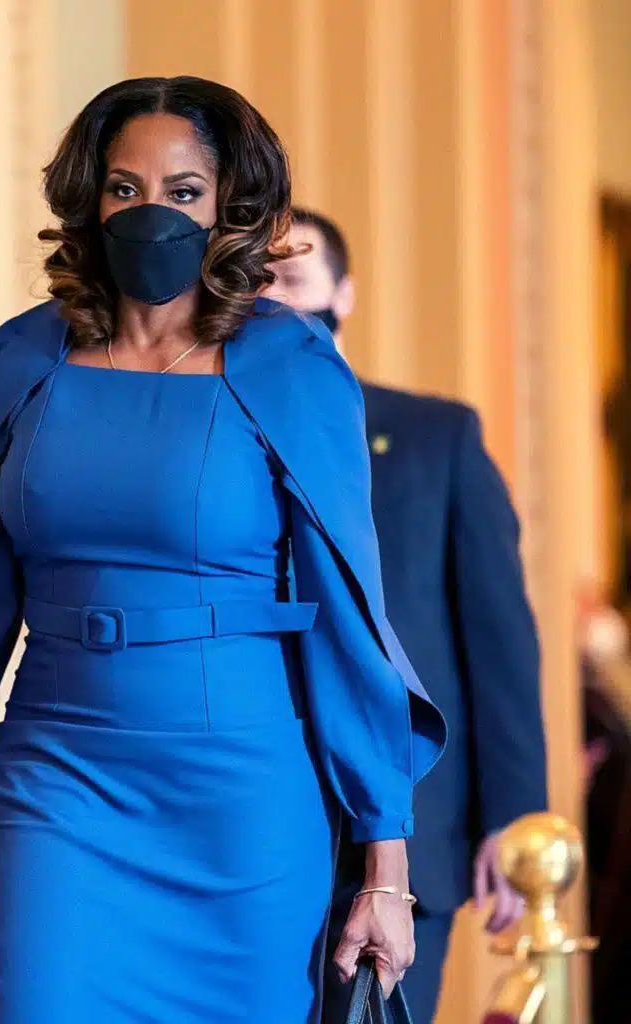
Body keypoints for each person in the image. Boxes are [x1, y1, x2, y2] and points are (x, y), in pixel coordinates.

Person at [0, 79, 446, 1023]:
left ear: (227, 209)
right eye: (125, 188)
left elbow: (349, 616)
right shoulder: (22, 360)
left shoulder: (292, 367)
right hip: (61, 779)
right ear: (90, 201)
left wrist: (385, 866)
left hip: (245, 799)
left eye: (183, 191)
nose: (151, 211)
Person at [264, 208, 547, 1022]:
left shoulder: (436, 436)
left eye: (293, 278)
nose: (273, 298)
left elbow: (498, 639)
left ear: (343, 295)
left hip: (412, 828)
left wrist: (512, 814)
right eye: (256, 279)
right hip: (258, 815)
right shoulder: (213, 434)